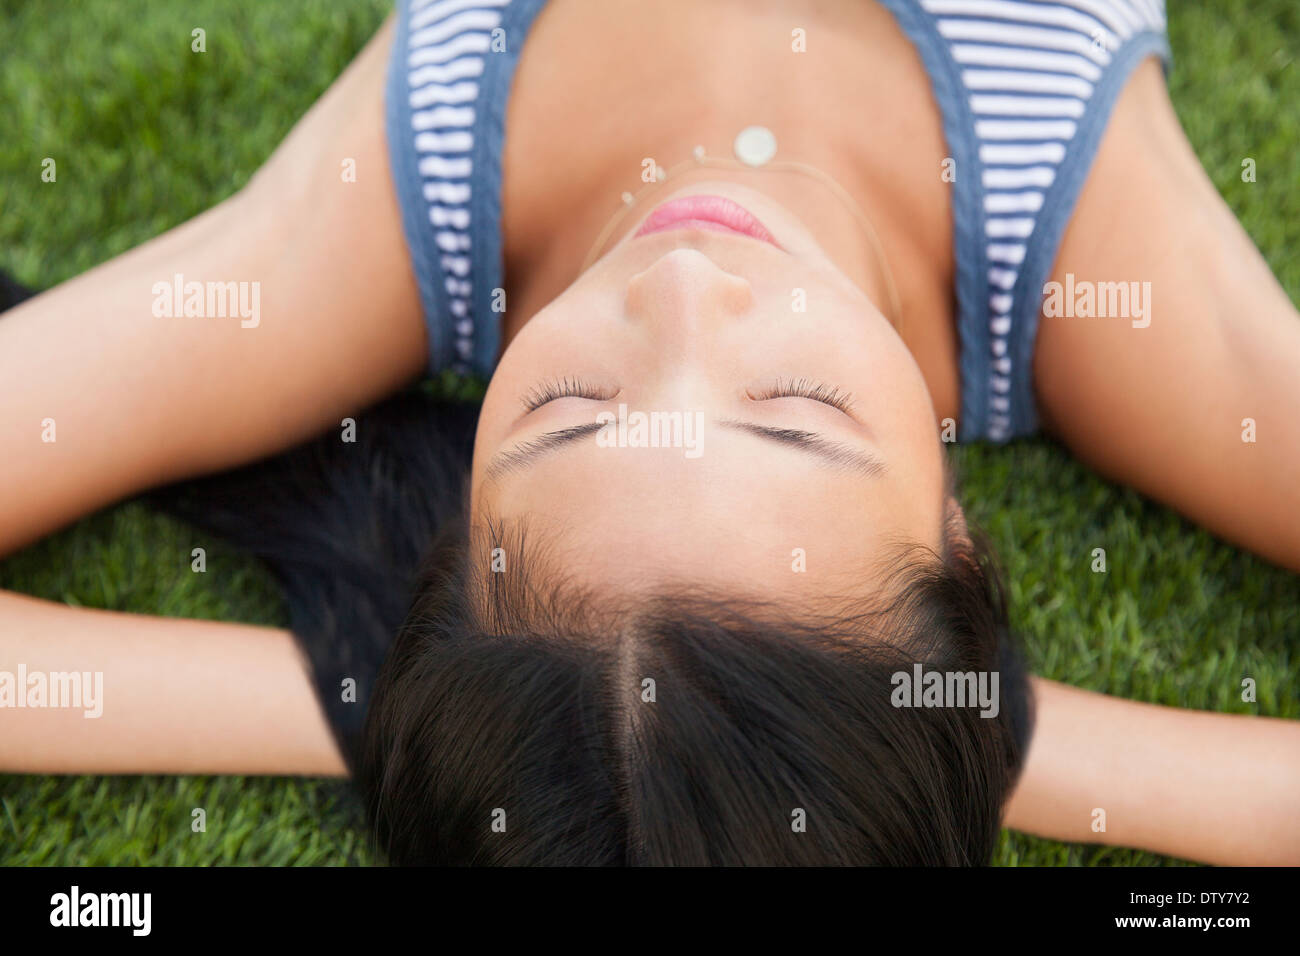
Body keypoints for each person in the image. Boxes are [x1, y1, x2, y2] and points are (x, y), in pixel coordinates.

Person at [2, 0, 1297, 864]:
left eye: (571, 414)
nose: (683, 290)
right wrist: (947, 725)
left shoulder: (384, 231)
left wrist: (425, 716)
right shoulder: (1095, 283)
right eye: (797, 419)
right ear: (959, 545)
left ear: (457, 534)